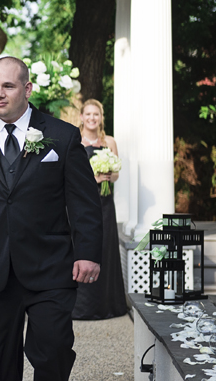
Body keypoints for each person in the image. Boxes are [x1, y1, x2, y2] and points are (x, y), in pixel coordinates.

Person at [0, 55, 103, 381]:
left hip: (50, 266)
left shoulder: (63, 136)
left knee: (53, 348)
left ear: (27, 88)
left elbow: (84, 203)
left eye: (8, 86)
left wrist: (87, 253)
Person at [72, 99, 128, 320]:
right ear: (82, 117)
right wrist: (92, 178)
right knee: (83, 247)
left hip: (105, 202)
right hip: (82, 203)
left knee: (105, 248)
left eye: (96, 114)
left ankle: (107, 305)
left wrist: (108, 176)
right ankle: (80, 306)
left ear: (101, 117)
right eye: (88, 114)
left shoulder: (110, 141)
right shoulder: (76, 140)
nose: (92, 118)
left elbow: (116, 174)